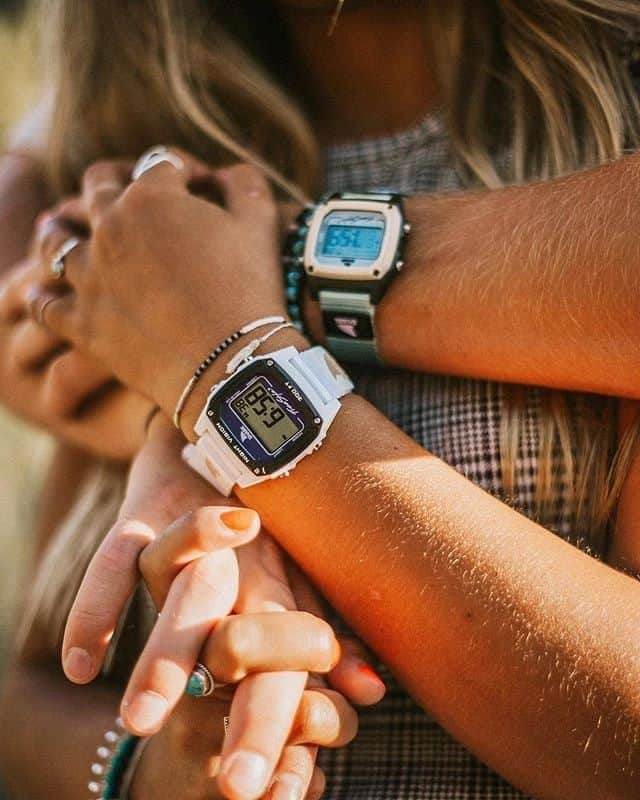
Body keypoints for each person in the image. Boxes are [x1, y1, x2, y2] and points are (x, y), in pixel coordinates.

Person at [3, 1, 640, 798]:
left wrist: (219, 368)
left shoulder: (611, 127)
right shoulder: (144, 172)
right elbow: (31, 694)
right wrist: (143, 774)